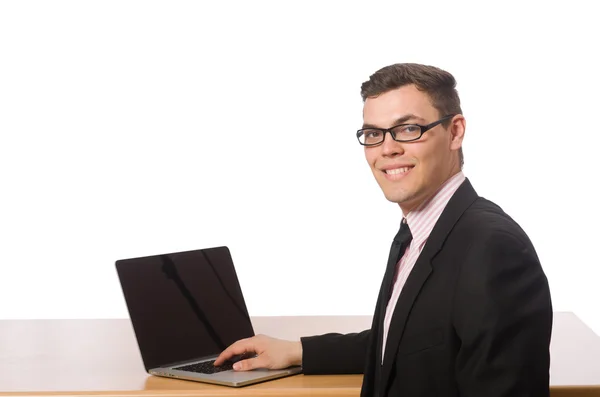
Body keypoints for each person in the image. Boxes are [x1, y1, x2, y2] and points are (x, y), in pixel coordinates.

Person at [214, 63, 553, 397]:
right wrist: (298, 351)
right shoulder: (422, 230)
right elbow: (405, 339)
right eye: (374, 134)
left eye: (408, 129)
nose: (387, 149)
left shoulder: (492, 249)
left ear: (455, 132)